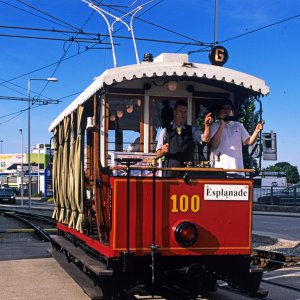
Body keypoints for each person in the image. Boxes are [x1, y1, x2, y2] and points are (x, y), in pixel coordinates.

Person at [202, 100, 264, 177]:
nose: (226, 111)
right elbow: (214, 145)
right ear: (219, 111)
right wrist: (222, 125)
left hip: (237, 170)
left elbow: (249, 141)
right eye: (223, 108)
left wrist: (256, 131)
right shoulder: (214, 125)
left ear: (232, 112)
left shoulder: (238, 125)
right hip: (218, 171)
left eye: (228, 108)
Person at [156, 100, 202, 177]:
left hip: (188, 171)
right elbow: (158, 153)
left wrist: (207, 127)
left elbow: (204, 138)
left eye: (185, 111)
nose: (183, 114)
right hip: (170, 171)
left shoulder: (192, 130)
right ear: (174, 112)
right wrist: (162, 151)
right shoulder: (165, 131)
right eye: (180, 111)